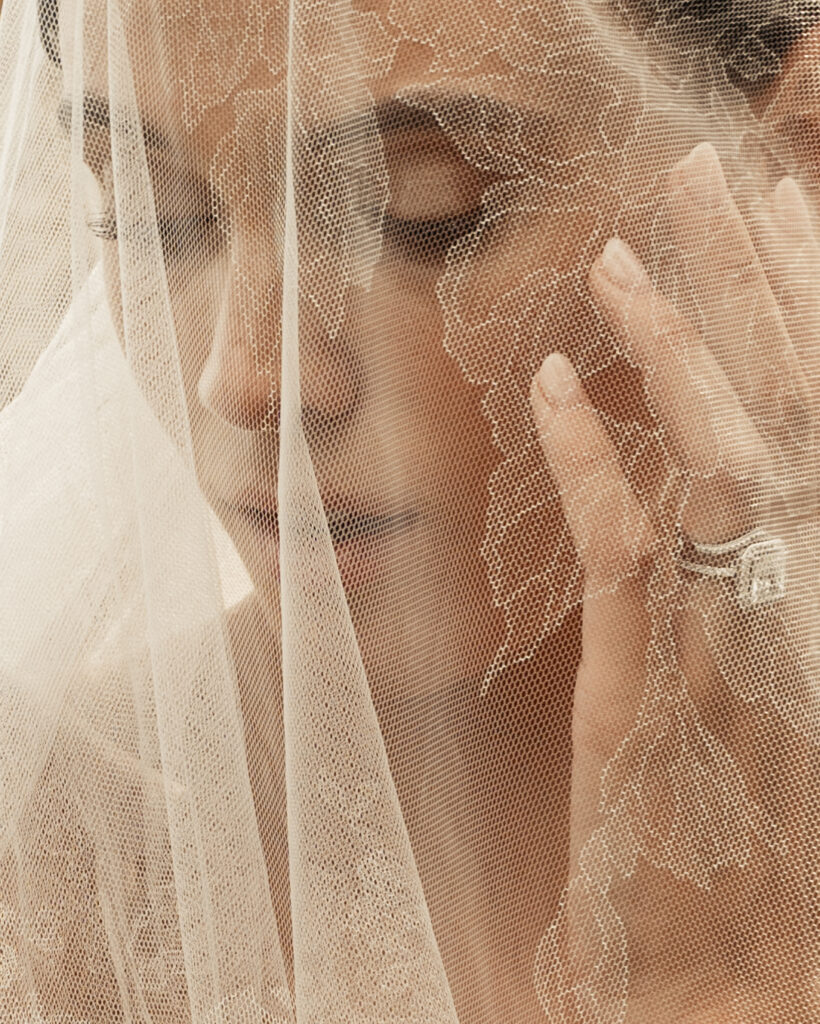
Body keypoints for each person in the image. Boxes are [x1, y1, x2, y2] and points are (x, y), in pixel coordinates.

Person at [0, 0, 819, 1019]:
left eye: (421, 206)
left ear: (792, 154)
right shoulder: (43, 856)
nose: (249, 377)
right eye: (153, 213)